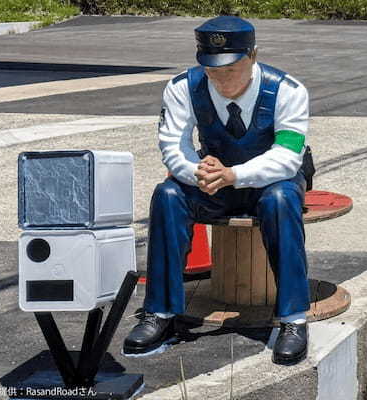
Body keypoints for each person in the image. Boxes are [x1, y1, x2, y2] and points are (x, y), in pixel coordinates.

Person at [123, 15, 313, 366]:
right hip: (212, 180)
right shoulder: (183, 87)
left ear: (253, 56)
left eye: (231, 70)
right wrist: (197, 172)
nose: (222, 80)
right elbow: (172, 144)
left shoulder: (288, 91)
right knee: (167, 196)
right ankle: (161, 312)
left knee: (282, 199)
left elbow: (287, 158)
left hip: (270, 181)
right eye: (213, 72)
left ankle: (293, 319)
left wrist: (234, 174)